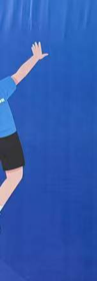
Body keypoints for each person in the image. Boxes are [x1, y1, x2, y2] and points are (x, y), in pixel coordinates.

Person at [0, 42, 48, 224]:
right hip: (8, 138)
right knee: (15, 176)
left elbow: (19, 75)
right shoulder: (1, 87)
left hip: (8, 138)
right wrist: (35, 58)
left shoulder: (2, 87)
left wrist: (34, 59)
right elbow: (19, 75)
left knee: (15, 176)